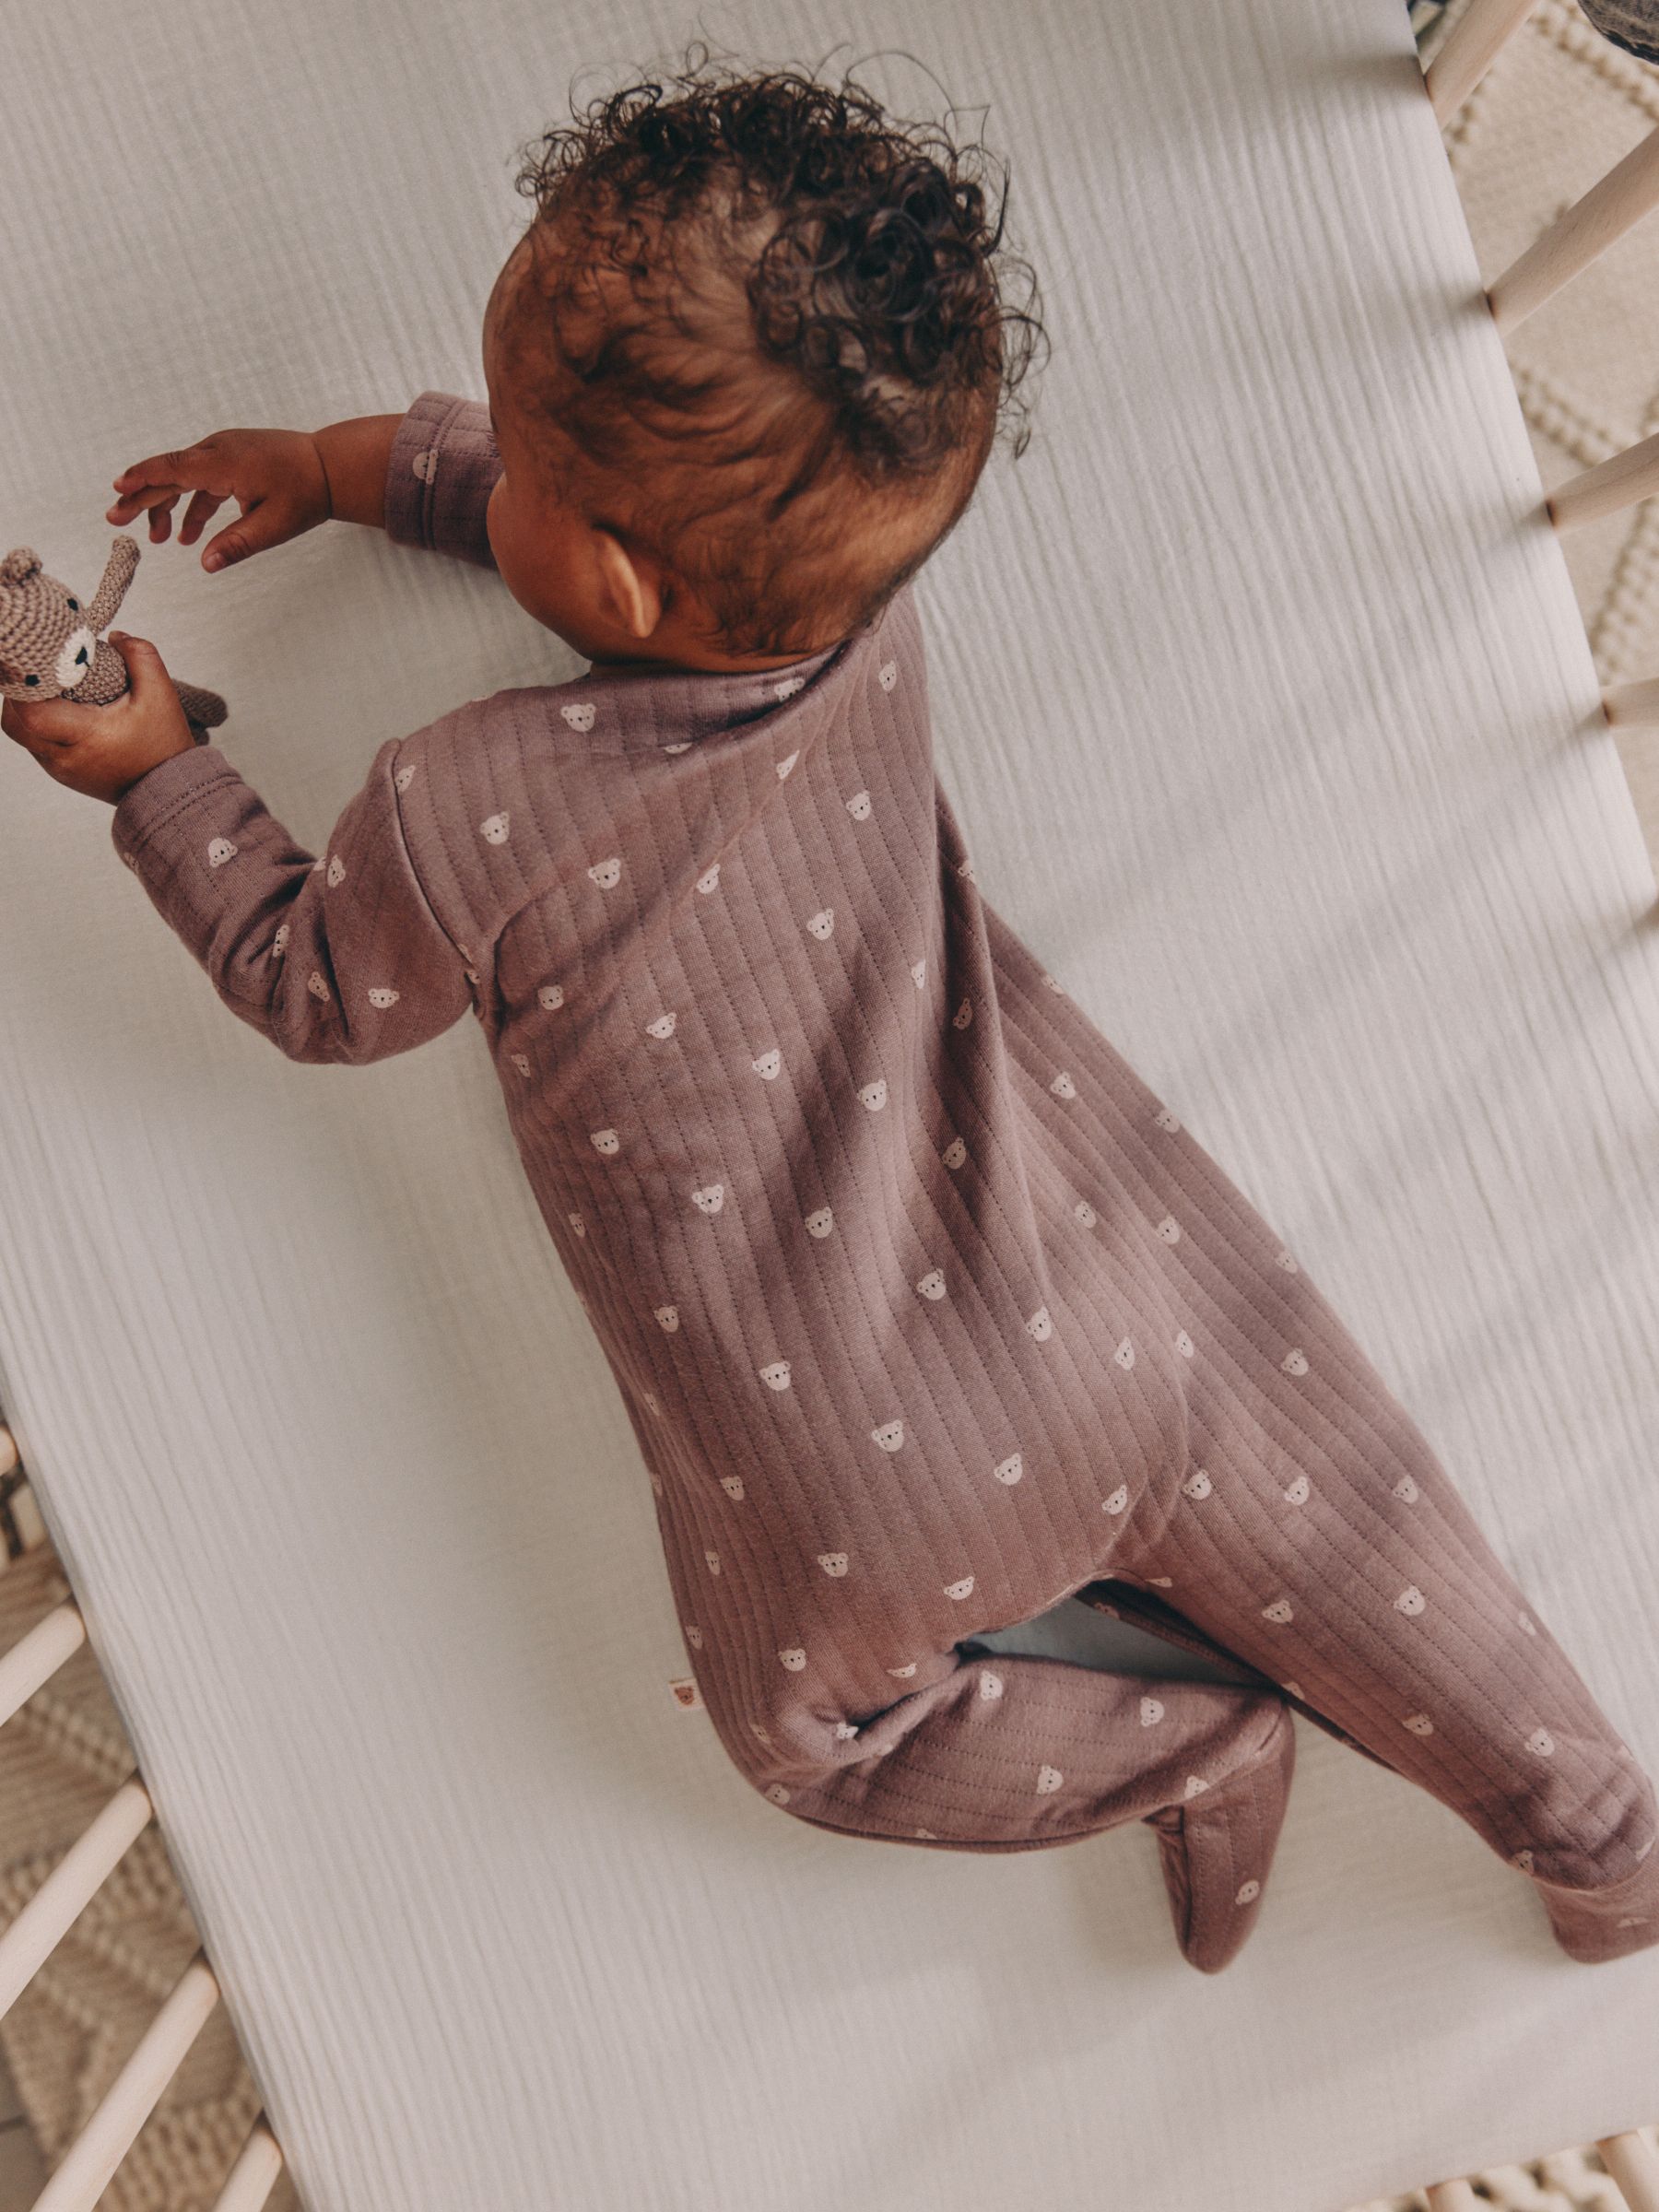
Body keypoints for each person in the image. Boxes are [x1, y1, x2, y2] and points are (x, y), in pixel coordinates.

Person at [6, 52, 1656, 1974]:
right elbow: (605, 534)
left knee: (812, 1739)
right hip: (1088, 1289)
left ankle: (1183, 1744)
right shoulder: (863, 618)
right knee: (1349, 1501)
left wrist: (152, 772)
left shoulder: (463, 807)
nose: (478, 466)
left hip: (861, 1489)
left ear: (607, 570)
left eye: (510, 461)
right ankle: (1601, 1830)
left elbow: (320, 990)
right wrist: (341, 464)